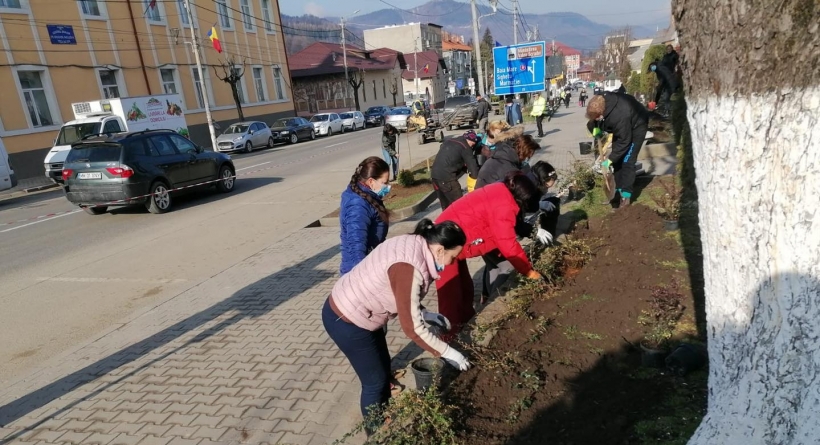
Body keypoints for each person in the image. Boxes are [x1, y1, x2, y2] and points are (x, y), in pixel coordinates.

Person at [323, 219, 471, 433]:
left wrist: (426, 314)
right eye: (452, 256)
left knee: (382, 372)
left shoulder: (415, 244)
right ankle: (375, 432)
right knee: (374, 382)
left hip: (362, 314)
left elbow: (402, 294)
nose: (451, 263)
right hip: (347, 320)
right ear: (439, 250)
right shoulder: (408, 266)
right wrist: (449, 353)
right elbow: (412, 328)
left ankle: (382, 417)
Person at [434, 172, 544, 329]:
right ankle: (448, 338)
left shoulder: (502, 190)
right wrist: (529, 272)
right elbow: (508, 244)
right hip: (442, 245)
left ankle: (466, 324)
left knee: (465, 288)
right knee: (450, 296)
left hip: (454, 239)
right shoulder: (504, 205)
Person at [585, 92, 649, 208]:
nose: (596, 119)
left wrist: (610, 159)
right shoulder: (599, 107)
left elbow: (624, 141)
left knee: (627, 161)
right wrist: (595, 130)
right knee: (617, 161)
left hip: (637, 125)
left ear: (601, 113)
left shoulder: (619, 115)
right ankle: (618, 192)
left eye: (597, 117)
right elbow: (592, 123)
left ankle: (625, 196)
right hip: (622, 130)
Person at [339, 157, 391, 275]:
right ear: (371, 181)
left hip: (370, 264)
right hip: (358, 272)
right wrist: (363, 278)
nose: (388, 186)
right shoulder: (357, 205)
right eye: (385, 182)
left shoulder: (367, 196)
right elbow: (357, 246)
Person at [430, 130, 482, 209]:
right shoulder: (465, 147)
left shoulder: (450, 141)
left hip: (434, 176)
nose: (472, 146)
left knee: (446, 206)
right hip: (447, 178)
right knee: (459, 204)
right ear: (471, 141)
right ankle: (460, 221)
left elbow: (452, 158)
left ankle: (446, 221)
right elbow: (474, 171)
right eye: (472, 144)